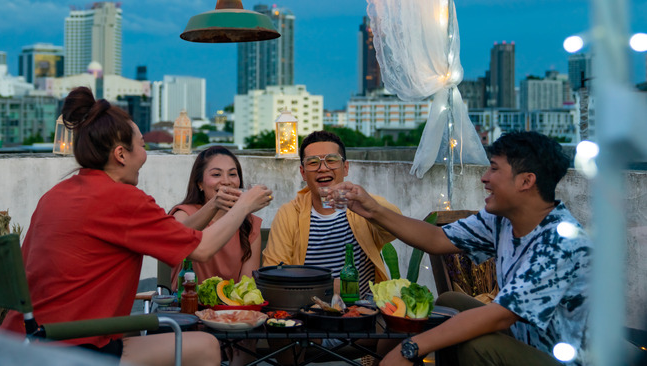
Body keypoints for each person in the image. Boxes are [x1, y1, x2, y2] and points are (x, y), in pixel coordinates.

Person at [0, 87, 272, 366]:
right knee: (205, 346)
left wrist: (215, 206)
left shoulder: (56, 194)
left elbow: (180, 237)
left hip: (19, 341)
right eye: (142, 145)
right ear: (121, 154)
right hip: (69, 346)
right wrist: (245, 205)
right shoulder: (122, 199)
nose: (145, 155)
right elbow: (201, 248)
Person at [335, 131, 592, 366]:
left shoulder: (561, 242)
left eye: (494, 169)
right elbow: (436, 239)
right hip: (525, 342)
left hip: (564, 361)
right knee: (449, 303)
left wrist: (409, 348)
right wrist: (372, 209)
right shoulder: (502, 220)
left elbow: (501, 316)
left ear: (526, 181)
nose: (484, 178)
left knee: (479, 345)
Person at [263, 130, 402, 298]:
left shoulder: (363, 206)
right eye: (313, 162)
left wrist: (370, 206)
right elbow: (274, 273)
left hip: (362, 313)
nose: (323, 168)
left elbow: (396, 229)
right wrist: (326, 285)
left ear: (346, 168)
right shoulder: (288, 214)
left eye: (331, 160)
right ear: (303, 172)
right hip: (309, 312)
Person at [170, 146, 262, 286]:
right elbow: (176, 238)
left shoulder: (250, 223)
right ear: (200, 183)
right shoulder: (183, 213)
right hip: (190, 303)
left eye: (232, 174)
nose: (226, 181)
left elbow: (246, 285)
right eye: (216, 175)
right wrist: (215, 204)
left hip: (232, 306)